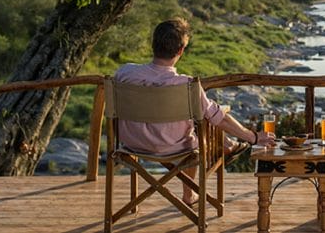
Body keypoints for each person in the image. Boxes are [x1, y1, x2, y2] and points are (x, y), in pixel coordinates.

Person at [114, 17, 276, 206]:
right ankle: (191, 192)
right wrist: (253, 137)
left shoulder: (124, 73)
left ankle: (228, 144)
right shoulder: (186, 85)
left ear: (153, 44)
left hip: (130, 144)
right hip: (173, 147)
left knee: (198, 120)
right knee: (202, 126)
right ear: (181, 51)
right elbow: (219, 119)